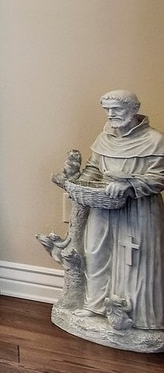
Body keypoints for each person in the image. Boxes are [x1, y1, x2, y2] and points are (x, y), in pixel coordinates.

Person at [57, 90, 164, 328]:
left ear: (134, 109)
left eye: (116, 109)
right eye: (107, 109)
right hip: (103, 204)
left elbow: (159, 177)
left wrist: (129, 185)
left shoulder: (155, 140)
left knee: (135, 261)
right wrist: (81, 183)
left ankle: (136, 316)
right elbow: (94, 168)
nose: (110, 114)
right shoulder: (104, 138)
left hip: (139, 210)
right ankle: (94, 306)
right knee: (95, 252)